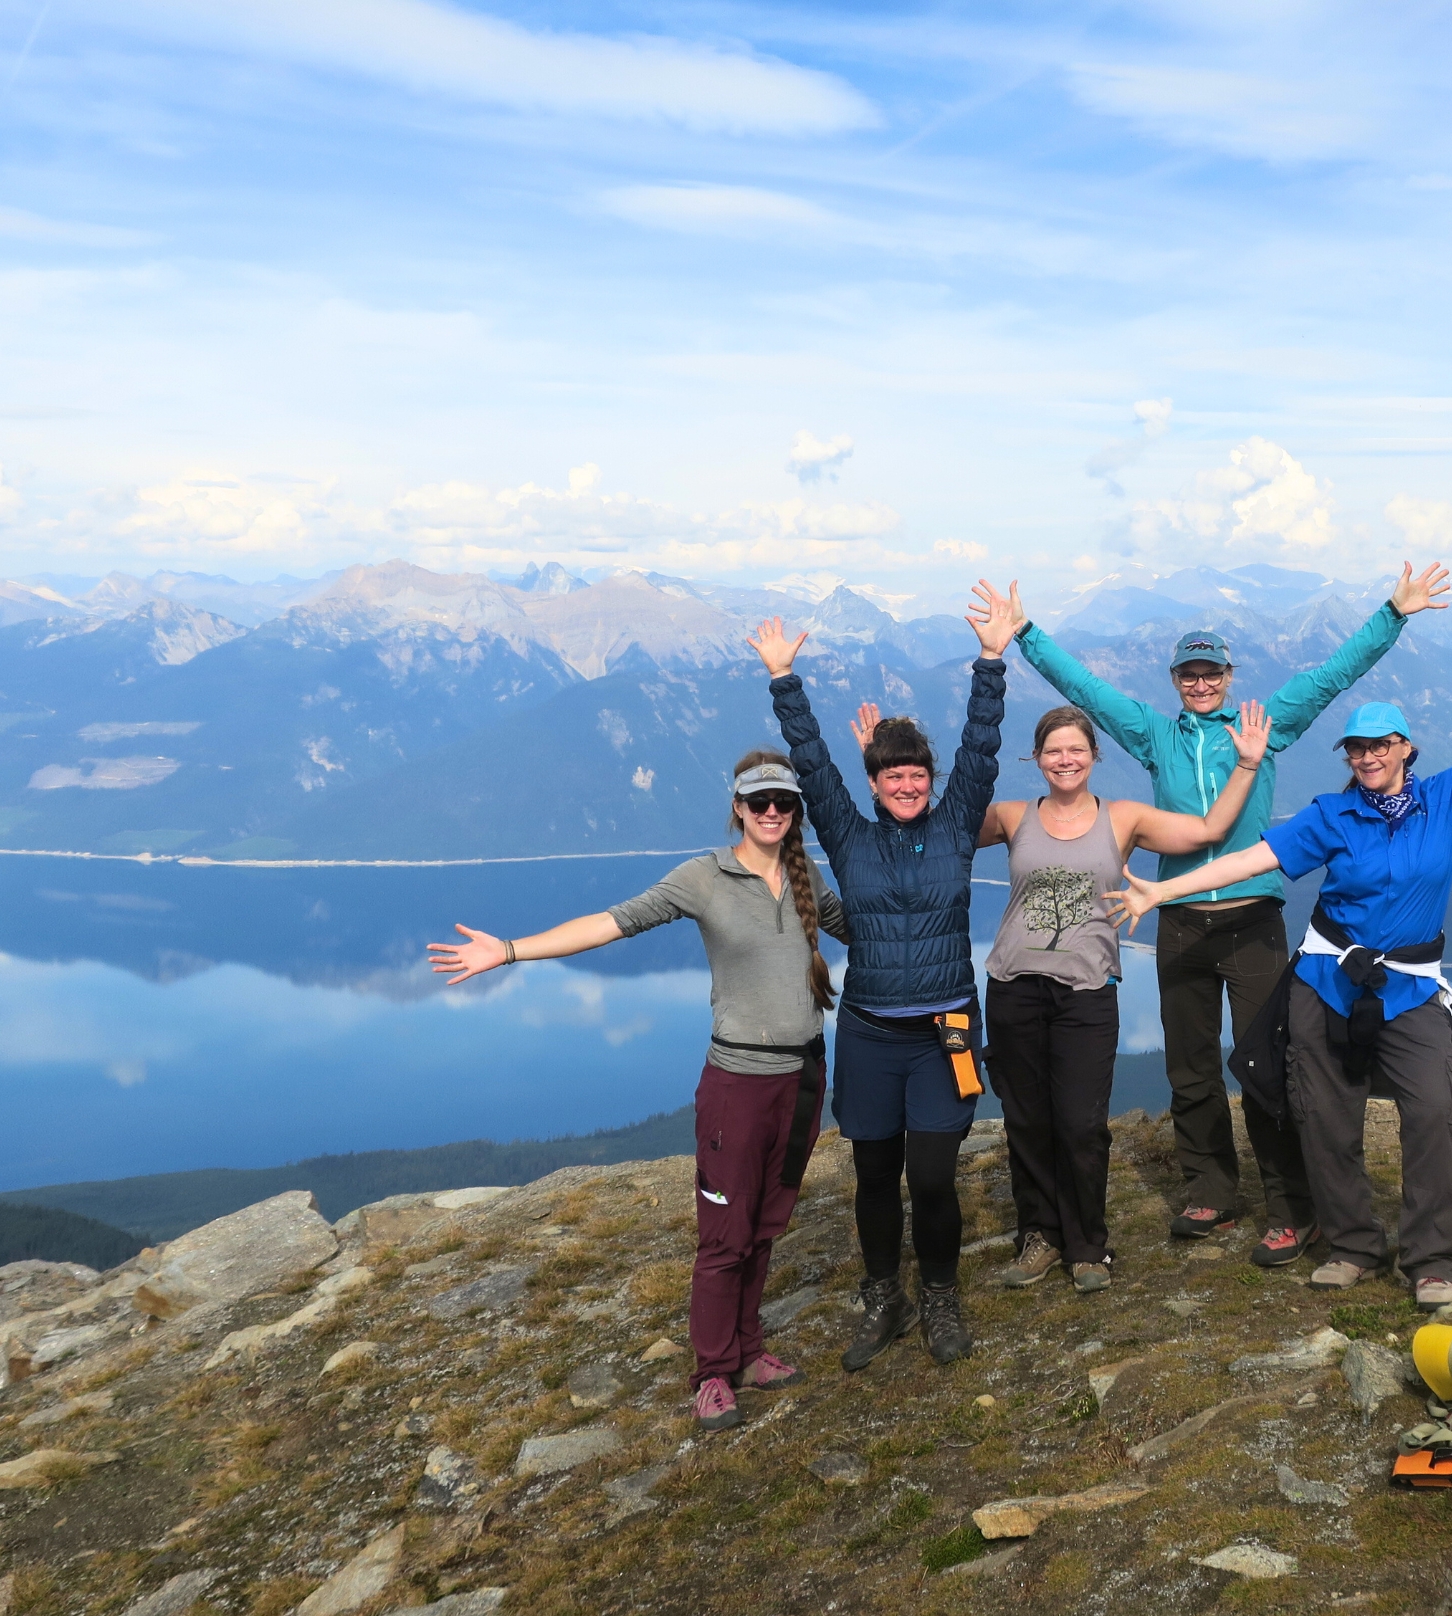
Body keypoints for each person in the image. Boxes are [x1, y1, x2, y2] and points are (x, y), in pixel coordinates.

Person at [1108, 595, 1452, 1307]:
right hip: (1326, 980)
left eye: (1380, 746)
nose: (1367, 757)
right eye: (1357, 749)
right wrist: (1161, 892)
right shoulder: (1333, 814)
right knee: (1324, 1115)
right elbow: (1250, 859)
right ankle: (1352, 1245)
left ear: (1406, 749)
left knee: (1433, 1110)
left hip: (1410, 987)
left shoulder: (1450, 798)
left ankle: (1430, 1260)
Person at [989, 562, 1452, 1267]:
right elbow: (1085, 691)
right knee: (1191, 1067)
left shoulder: (1263, 723)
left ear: (1229, 677)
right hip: (1179, 921)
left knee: (1269, 1062)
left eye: (1211, 673)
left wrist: (1393, 613)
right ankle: (1210, 1188)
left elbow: (1331, 676)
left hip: (1252, 921)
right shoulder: (1155, 735)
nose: (1201, 684)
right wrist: (1025, 632)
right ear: (1176, 680)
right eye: (1190, 674)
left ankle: (1291, 1206)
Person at [426, 750, 847, 1434]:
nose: (772, 812)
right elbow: (610, 922)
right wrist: (508, 950)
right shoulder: (703, 878)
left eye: (784, 802)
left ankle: (748, 1353)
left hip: (802, 1079)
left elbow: (872, 926)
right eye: (759, 802)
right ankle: (712, 1374)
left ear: (796, 812)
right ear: (738, 808)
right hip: (738, 1084)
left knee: (767, 1225)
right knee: (725, 1237)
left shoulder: (808, 877)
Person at [746, 589, 1018, 1372]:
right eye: (893, 776)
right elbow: (811, 764)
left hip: (944, 1034)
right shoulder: (847, 834)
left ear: (931, 780)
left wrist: (991, 661)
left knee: (931, 1177)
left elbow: (981, 749)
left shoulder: (957, 825)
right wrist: (784, 681)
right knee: (872, 1176)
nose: (906, 785)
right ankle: (882, 1298)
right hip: (870, 1033)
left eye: (916, 775)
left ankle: (939, 1295)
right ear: (873, 784)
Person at [968, 693, 1272, 1295]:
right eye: (1053, 751)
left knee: (1082, 1124)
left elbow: (1208, 830)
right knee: (1027, 1121)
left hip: (1087, 993)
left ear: (1094, 755)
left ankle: (1087, 1246)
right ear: (1036, 758)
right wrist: (884, 766)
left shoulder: (1123, 818)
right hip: (1013, 986)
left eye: (1076, 749)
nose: (1065, 760)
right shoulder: (1010, 815)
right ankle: (1039, 1236)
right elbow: (934, 828)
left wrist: (1246, 765)